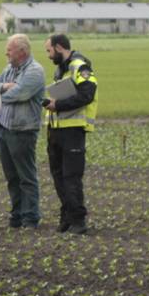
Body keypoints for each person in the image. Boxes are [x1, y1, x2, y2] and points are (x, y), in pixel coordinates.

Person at [43, 33, 98, 234]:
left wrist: (58, 105)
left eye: (49, 50)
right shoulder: (60, 70)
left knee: (71, 176)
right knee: (58, 176)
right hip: (55, 130)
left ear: (59, 47)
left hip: (73, 131)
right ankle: (67, 216)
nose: (48, 56)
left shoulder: (80, 67)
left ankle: (78, 220)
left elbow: (87, 95)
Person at [0, 34, 46, 229]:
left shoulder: (35, 71)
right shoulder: (9, 69)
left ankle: (30, 217)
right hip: (4, 128)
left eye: (10, 49)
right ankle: (16, 216)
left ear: (22, 52)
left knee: (26, 176)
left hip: (23, 131)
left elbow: (20, 94)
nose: (6, 52)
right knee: (11, 177)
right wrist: (3, 87)